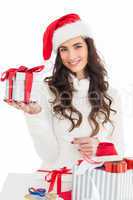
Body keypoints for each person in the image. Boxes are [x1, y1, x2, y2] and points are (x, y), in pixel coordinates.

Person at [5, 13, 125, 171]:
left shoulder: (111, 95)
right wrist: (35, 115)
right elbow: (48, 154)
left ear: (88, 47)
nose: (71, 56)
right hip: (56, 184)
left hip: (95, 186)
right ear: (59, 55)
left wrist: (100, 148)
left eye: (77, 46)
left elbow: (120, 152)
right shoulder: (48, 91)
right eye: (64, 49)